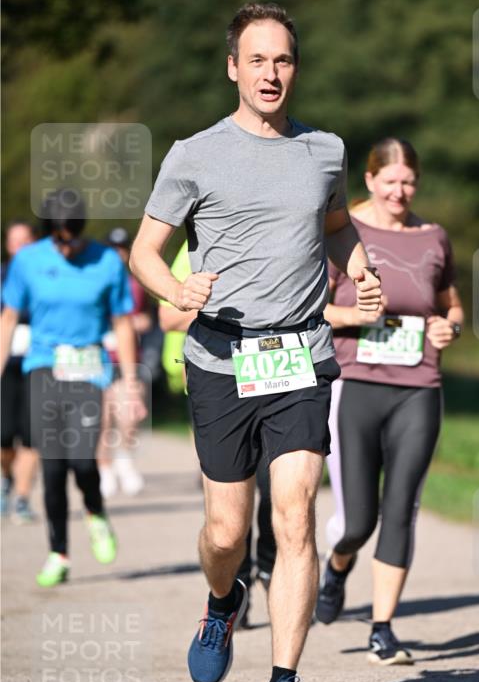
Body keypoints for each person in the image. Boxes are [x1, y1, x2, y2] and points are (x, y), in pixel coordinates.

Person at [130, 2, 381, 682]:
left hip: (300, 354)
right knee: (225, 533)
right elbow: (145, 252)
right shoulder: (194, 155)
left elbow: (337, 227)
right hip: (219, 359)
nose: (272, 73)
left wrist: (359, 270)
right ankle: (221, 602)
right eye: (258, 60)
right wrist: (175, 289)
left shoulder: (325, 151)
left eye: (284, 60)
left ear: (295, 69)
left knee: (296, 512)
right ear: (233, 68)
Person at [316, 138, 463, 664]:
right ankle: (337, 565)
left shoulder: (434, 237)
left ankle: (382, 628)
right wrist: (355, 316)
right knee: (358, 522)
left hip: (419, 387)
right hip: (354, 384)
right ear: (370, 181)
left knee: (401, 508)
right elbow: (312, 306)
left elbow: (450, 304)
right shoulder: (343, 231)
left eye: (409, 183)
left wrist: (450, 327)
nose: (400, 192)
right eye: (390, 181)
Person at [0, 191, 145, 587]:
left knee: (82, 461)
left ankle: (96, 512)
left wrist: (131, 382)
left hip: (87, 369)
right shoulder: (28, 261)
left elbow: (122, 323)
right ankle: (58, 553)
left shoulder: (106, 262)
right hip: (43, 366)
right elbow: (9, 317)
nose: (66, 248)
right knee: (52, 466)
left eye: (72, 239)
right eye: (58, 240)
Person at [158, 240, 277, 626]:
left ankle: (271, 569)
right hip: (219, 382)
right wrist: (231, 316)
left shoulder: (278, 235)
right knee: (234, 502)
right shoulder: (198, 244)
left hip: (275, 376)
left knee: (276, 490)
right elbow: (168, 318)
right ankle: (238, 588)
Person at [98, 227, 153, 498]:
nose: (118, 254)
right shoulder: (95, 281)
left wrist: (139, 323)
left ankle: (123, 459)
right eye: (113, 248)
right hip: (99, 359)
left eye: (122, 249)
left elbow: (148, 318)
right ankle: (104, 468)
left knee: (128, 415)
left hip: (128, 359)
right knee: (102, 418)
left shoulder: (137, 283)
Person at [1, 219, 40, 523]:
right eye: (15, 242)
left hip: (38, 364)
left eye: (25, 241)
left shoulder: (47, 275)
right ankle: (5, 478)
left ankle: (23, 498)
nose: (20, 247)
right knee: (4, 436)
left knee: (32, 435)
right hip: (7, 366)